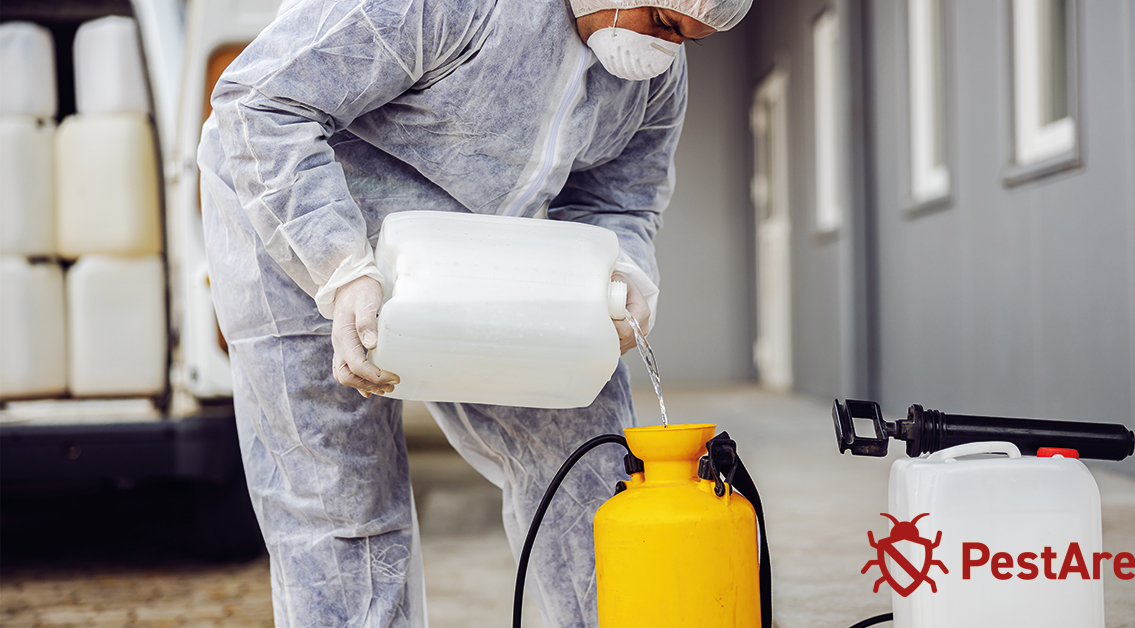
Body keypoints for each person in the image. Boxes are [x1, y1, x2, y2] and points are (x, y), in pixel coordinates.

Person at [198, 0, 751, 625]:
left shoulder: (652, 78)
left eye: (689, 40)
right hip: (301, 239)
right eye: (664, 23)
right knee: (340, 509)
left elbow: (621, 197)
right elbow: (261, 103)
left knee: (587, 464)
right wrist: (341, 267)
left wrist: (619, 270)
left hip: (479, 253)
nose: (666, 51)